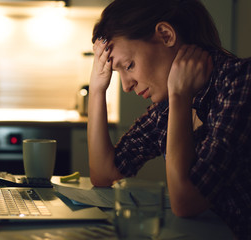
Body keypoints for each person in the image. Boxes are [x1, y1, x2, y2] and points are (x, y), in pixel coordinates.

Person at [87, 0, 251, 239]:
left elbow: (186, 201)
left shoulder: (241, 82)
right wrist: (97, 89)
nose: (125, 86)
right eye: (117, 72)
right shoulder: (166, 109)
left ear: (165, 35)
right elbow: (105, 174)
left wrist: (179, 97)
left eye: (129, 65)